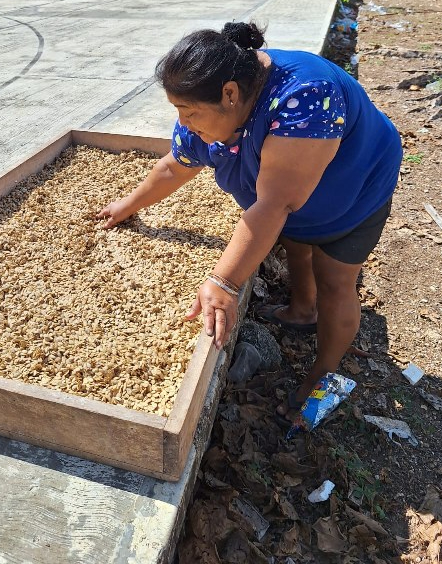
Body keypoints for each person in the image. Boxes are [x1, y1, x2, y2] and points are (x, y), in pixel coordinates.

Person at [97, 21, 402, 416]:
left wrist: (224, 281)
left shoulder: (306, 97)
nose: (183, 122)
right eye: (178, 111)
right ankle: (303, 308)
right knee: (294, 239)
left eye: (188, 112)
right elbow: (176, 165)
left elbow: (275, 205)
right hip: (297, 197)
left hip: (358, 187)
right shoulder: (213, 105)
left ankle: (323, 375)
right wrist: (127, 205)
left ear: (229, 94)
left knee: (335, 280)